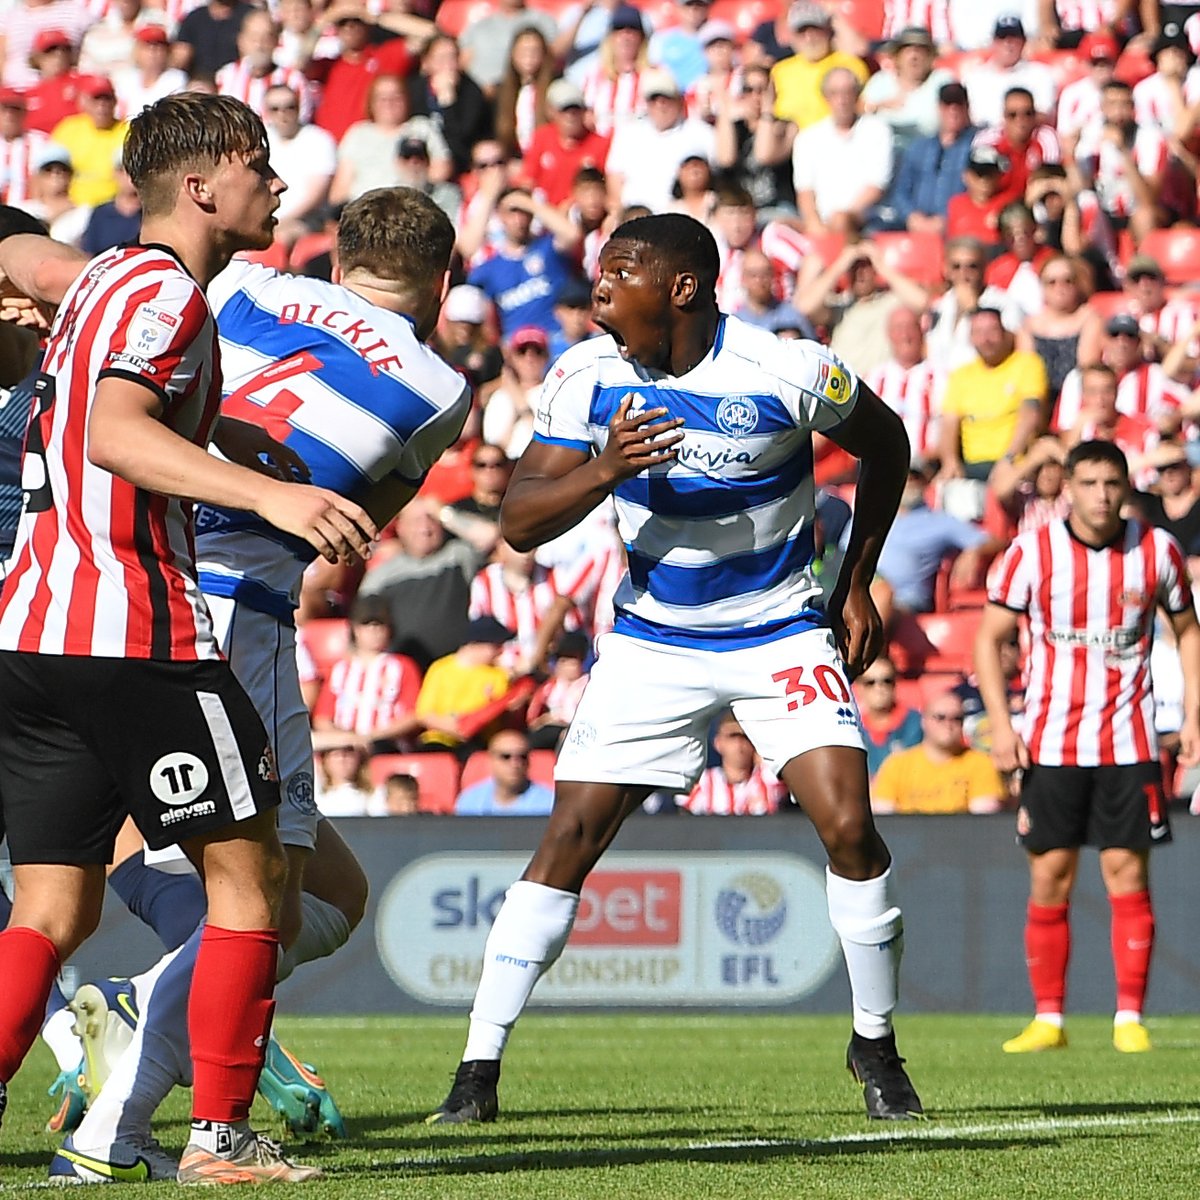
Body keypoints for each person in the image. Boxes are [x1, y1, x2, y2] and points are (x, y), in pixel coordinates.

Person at [428, 212, 924, 1127]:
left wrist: (855, 581)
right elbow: (522, 518)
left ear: (685, 287)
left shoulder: (788, 369)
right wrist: (605, 469)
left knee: (850, 824)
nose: (602, 287)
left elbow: (888, 446)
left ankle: (876, 1044)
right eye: (600, 272)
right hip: (655, 642)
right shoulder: (586, 375)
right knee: (567, 840)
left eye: (622, 271)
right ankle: (477, 1069)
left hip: (778, 631)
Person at [26, 183, 471, 1181]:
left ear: (338, 249)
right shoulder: (444, 390)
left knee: (305, 887)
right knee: (265, 901)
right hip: (235, 618)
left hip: (116, 591)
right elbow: (354, 528)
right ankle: (147, 1097)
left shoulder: (243, 289)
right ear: (442, 278)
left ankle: (121, 1111)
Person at [0, 91, 378, 1182]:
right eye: (257, 163)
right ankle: (220, 1138)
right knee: (256, 881)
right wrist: (268, 498)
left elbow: (38, 287)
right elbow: (117, 434)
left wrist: (228, 433)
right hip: (134, 628)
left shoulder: (101, 281)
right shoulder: (164, 296)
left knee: (52, 904)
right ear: (203, 184)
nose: (276, 181)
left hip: (32, 635)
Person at [975, 440, 1200, 1055]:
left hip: (1128, 741)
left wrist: (1195, 716)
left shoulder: (1156, 550)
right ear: (1067, 486)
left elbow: (1188, 632)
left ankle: (1129, 1018)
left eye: (1112, 482)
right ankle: (1049, 1018)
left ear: (1126, 487)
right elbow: (988, 638)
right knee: (1051, 874)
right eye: (1090, 482)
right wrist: (1001, 723)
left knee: (1127, 873)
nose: (1102, 494)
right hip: (1050, 742)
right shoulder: (1033, 551)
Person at [939, 306, 1048, 484]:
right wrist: (949, 461)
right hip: (972, 467)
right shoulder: (960, 376)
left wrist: (1008, 459)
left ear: (1005, 333)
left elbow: (1030, 415)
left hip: (1015, 464)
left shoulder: (1027, 364)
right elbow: (948, 423)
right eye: (979, 332)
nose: (986, 339)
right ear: (971, 338)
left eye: (992, 331)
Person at [312, 596, 423, 752]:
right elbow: (322, 718)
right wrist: (347, 738)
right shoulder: (340, 670)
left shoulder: (403, 666)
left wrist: (372, 736)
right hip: (344, 746)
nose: (374, 631)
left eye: (379, 626)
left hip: (385, 745)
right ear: (355, 630)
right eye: (367, 625)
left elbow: (413, 716)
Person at [872, 691, 1005, 814]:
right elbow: (884, 817)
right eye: (940, 717)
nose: (948, 724)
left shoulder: (981, 763)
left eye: (957, 718)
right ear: (924, 721)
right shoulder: (897, 765)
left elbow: (983, 822)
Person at [677, 710, 788, 815]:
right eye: (732, 736)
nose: (739, 743)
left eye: (745, 737)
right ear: (718, 743)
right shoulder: (702, 783)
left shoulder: (768, 779)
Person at [455, 729, 555, 815]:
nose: (515, 764)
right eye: (506, 756)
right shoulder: (471, 800)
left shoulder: (548, 803)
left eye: (522, 757)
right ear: (491, 760)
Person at [856, 655, 923, 779]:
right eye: (870, 682)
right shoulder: (854, 729)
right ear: (859, 688)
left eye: (887, 680)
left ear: (895, 684)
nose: (879, 688)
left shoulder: (918, 724)